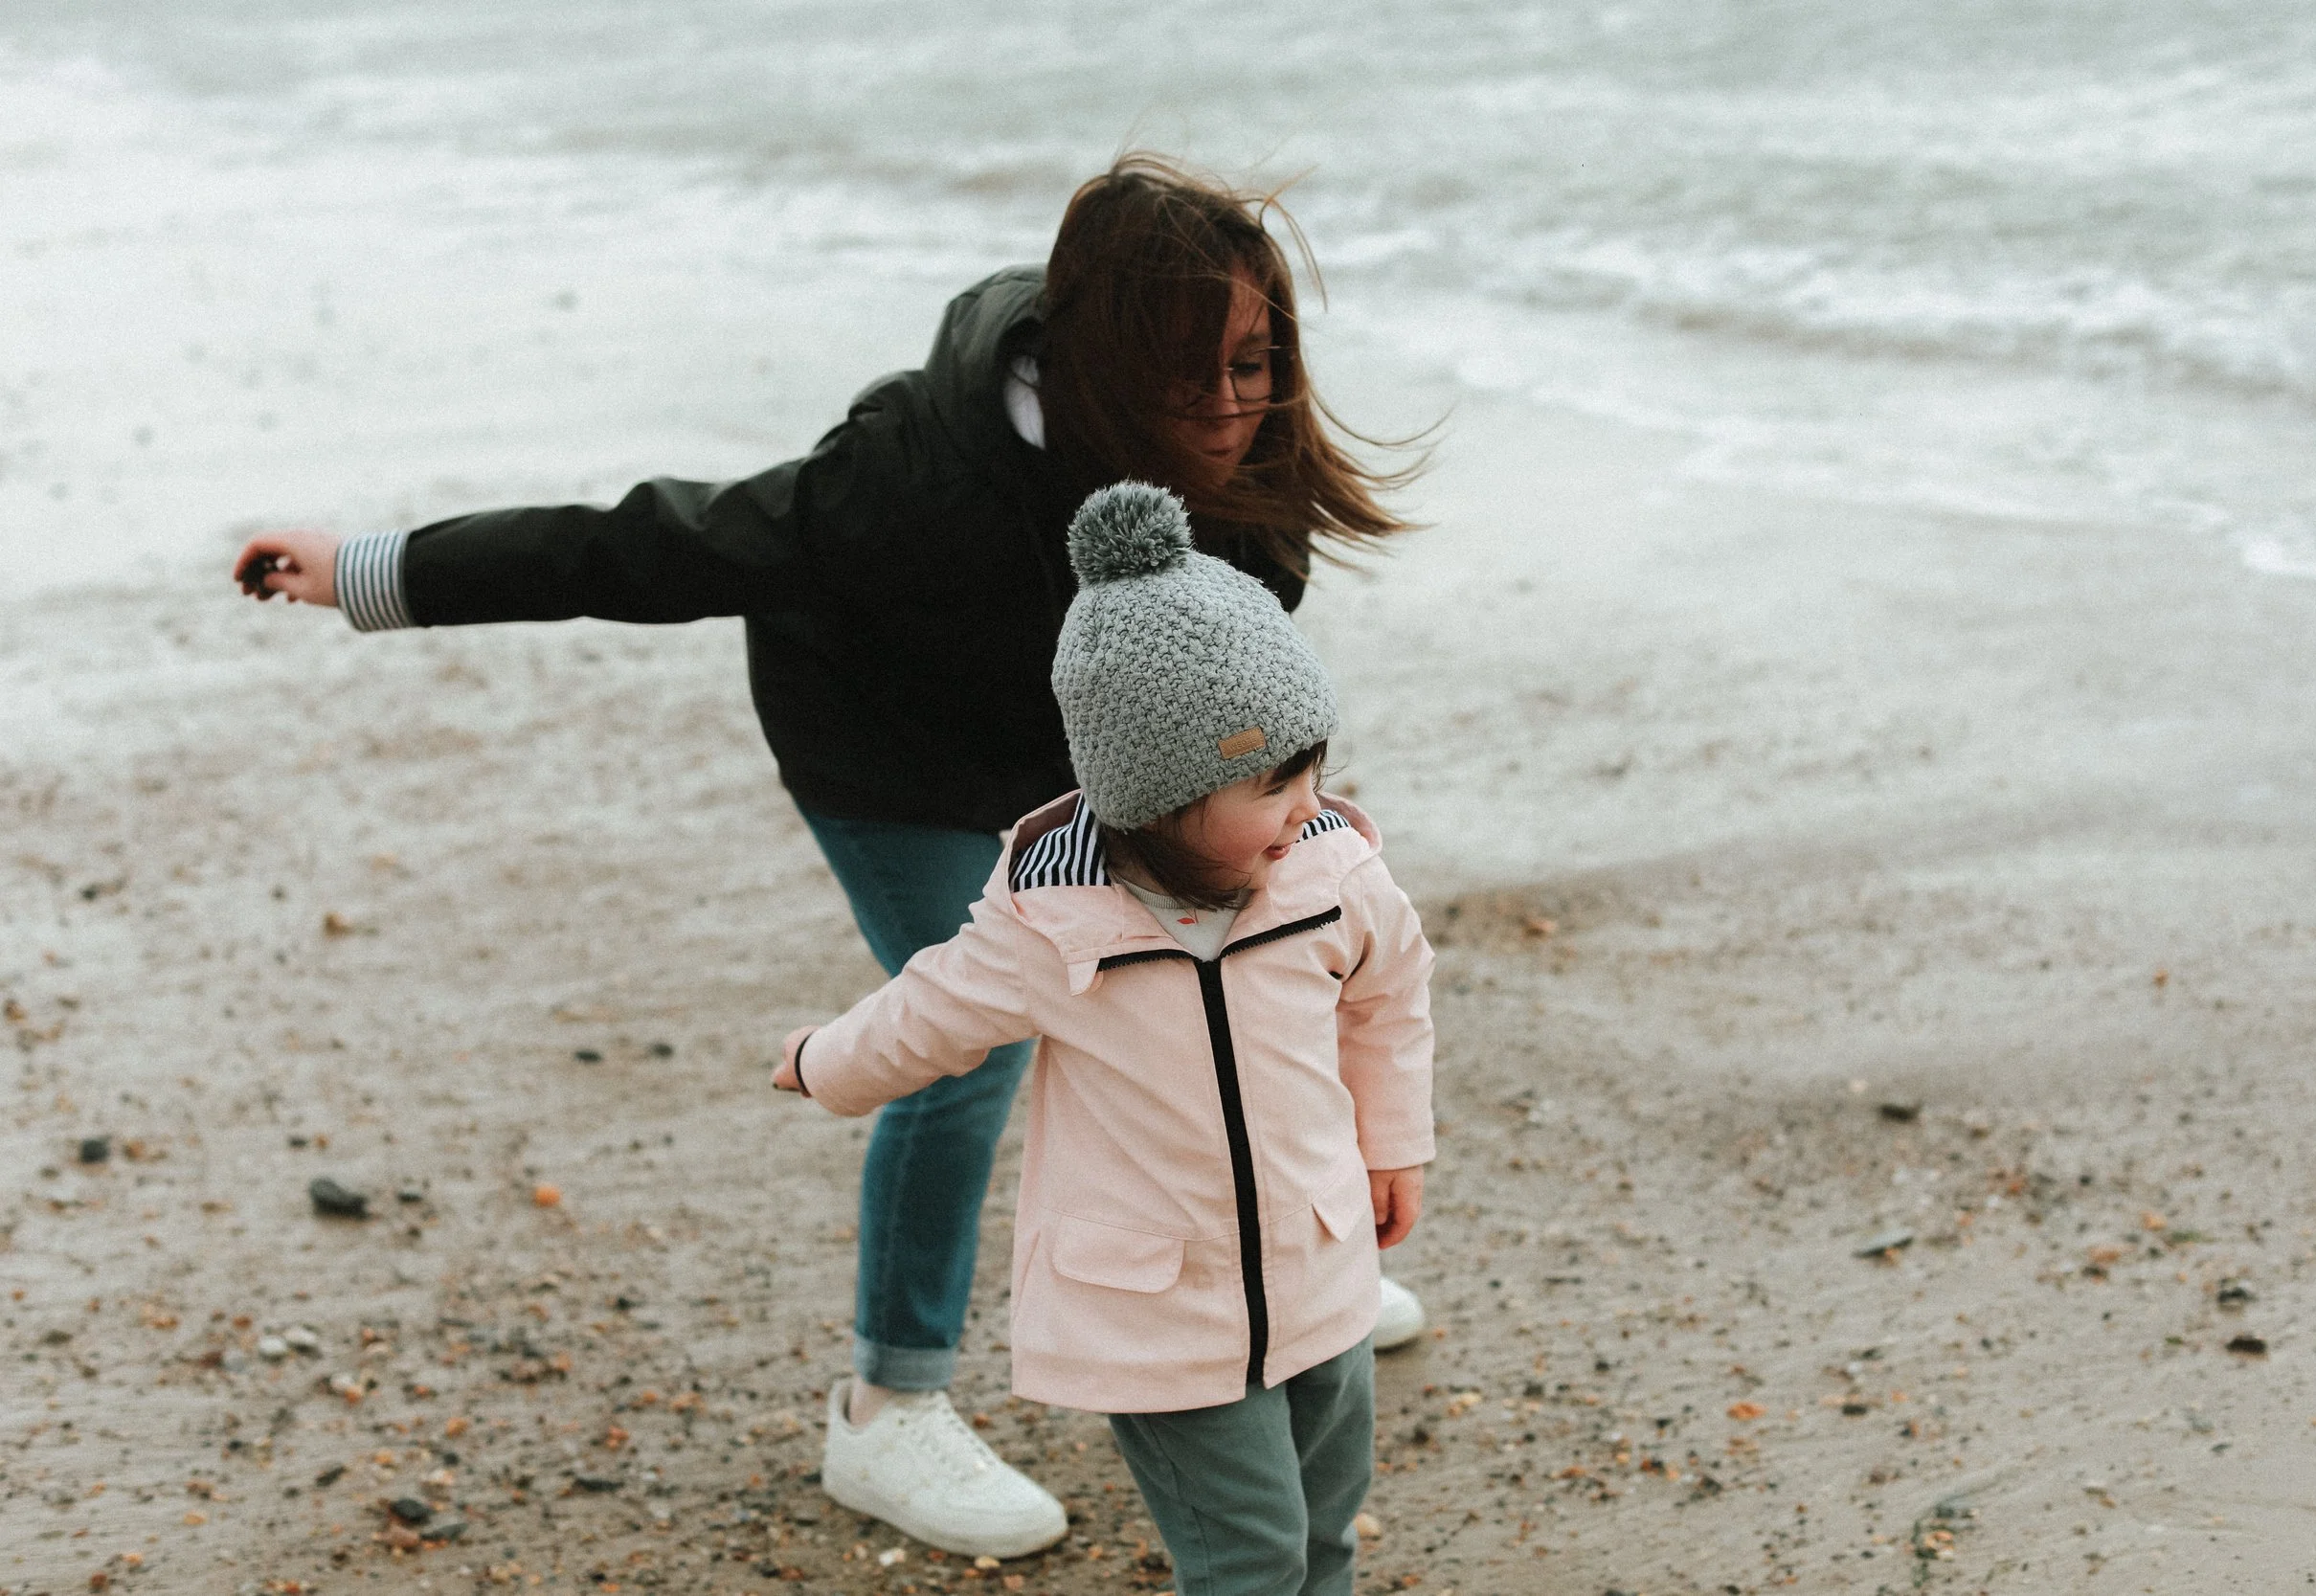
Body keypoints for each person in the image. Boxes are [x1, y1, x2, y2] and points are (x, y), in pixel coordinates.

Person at [230, 153, 1429, 1557]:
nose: (1230, 406)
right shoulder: (906, 471)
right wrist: (371, 570)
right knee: (969, 1039)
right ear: (1100, 363)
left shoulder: (1240, 473)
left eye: (1253, 362)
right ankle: (888, 1402)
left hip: (1111, 777)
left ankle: (1273, 1275)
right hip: (893, 758)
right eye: (1189, 375)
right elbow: (652, 547)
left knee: (1243, 954)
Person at [776, 482, 1433, 1593]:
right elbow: (928, 1011)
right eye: (1271, 781)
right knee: (1251, 1557)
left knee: (1326, 1528)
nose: (1306, 802)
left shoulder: (1331, 874)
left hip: (1319, 1264)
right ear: (1160, 800)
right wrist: (822, 1063)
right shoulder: (1052, 919)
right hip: (1161, 1311)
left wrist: (1393, 1141)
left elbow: (1389, 994)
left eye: (1312, 766)